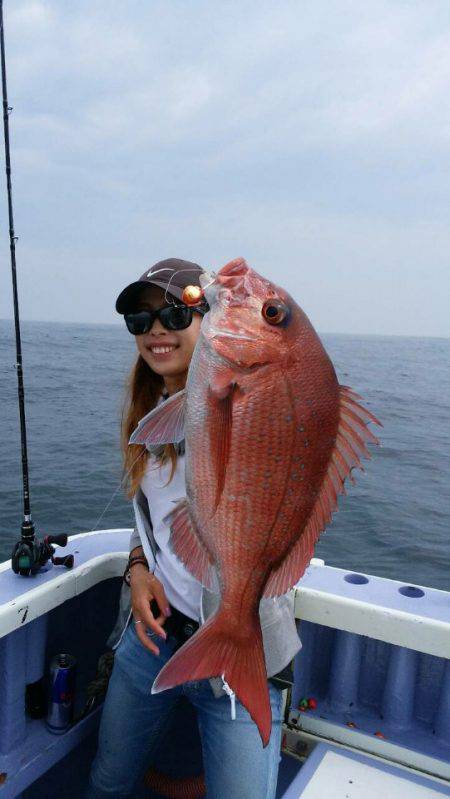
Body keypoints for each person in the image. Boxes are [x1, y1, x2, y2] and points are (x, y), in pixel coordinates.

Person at [85, 258, 301, 799]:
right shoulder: (147, 413)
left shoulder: (248, 400)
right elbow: (153, 522)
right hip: (150, 640)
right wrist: (138, 571)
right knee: (109, 782)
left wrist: (244, 298)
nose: (156, 329)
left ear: (209, 318)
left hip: (241, 652)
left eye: (176, 313)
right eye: (140, 319)